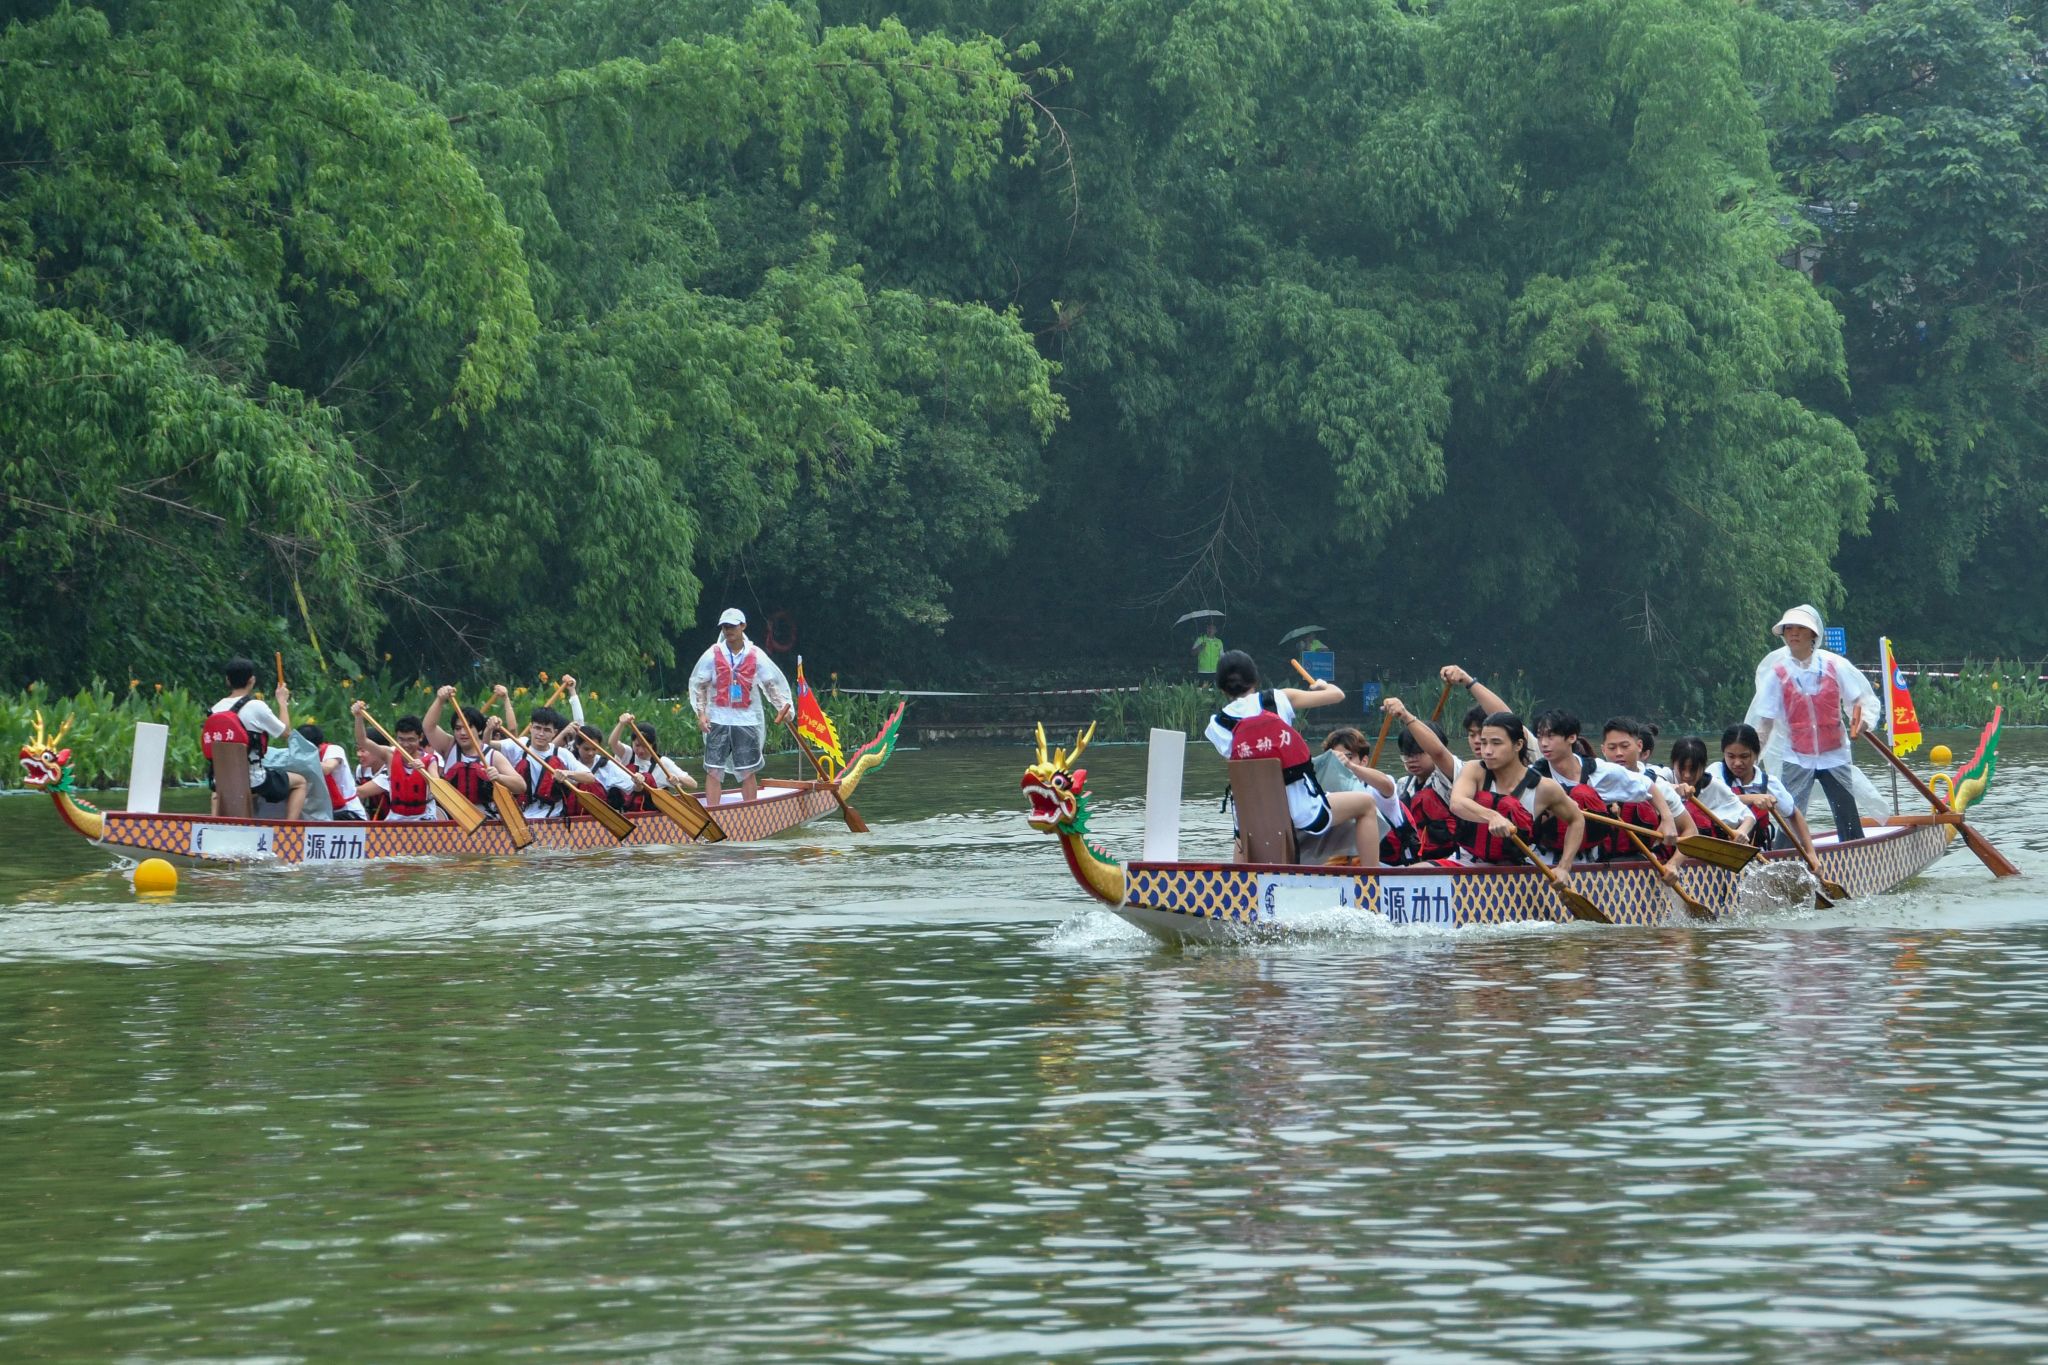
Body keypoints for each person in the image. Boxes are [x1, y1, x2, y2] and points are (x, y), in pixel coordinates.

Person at [1204, 650, 1382, 865]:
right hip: (1300, 808)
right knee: (1366, 804)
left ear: (1222, 687)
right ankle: (1371, 879)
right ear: (1255, 679)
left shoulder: (1217, 724)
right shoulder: (1277, 698)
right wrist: (1321, 685)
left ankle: (1239, 884)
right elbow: (1337, 695)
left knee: (1242, 831)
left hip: (1255, 815)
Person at [1747, 604, 1878, 838]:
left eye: (1800, 628)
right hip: (1797, 755)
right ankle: (1786, 855)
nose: (1794, 633)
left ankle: (1854, 852)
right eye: (1789, 629)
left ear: (1813, 635)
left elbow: (1860, 700)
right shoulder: (1777, 674)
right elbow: (1765, 724)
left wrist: (1863, 722)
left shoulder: (1833, 666)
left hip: (1835, 754)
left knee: (1846, 813)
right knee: (1789, 813)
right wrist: (1752, 758)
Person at [1448, 712, 1589, 868]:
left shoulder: (1544, 788)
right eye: (1484, 743)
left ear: (1518, 745)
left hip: (1515, 871)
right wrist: (1493, 816)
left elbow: (1576, 820)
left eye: (1496, 743)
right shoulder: (1474, 770)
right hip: (1464, 863)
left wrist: (1564, 867)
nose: (1487, 751)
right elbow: (1457, 803)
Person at [1529, 710, 1665, 860]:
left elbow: (1647, 785)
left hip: (1588, 862)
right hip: (1540, 858)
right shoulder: (1532, 776)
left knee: (1581, 793)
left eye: (1550, 736)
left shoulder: (1598, 770)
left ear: (1572, 737)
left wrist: (1667, 819)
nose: (1543, 743)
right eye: (1539, 737)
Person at [690, 608, 793, 805]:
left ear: (742, 626)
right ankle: (713, 812)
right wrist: (701, 714)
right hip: (718, 719)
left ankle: (750, 812)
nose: (728, 630)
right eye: (725, 627)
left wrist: (782, 707)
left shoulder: (755, 654)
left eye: (732, 626)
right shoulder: (713, 654)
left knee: (747, 770)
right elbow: (700, 685)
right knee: (713, 769)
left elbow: (770, 685)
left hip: (746, 720)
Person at [204, 657, 307, 818]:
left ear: (227, 680)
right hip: (254, 780)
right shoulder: (256, 707)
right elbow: (286, 733)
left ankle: (218, 824)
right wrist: (282, 702)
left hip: (221, 782)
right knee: (300, 782)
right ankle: (289, 828)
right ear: (252, 680)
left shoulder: (215, 709)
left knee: (219, 791)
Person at [1713, 723, 1821, 859]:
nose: (1737, 763)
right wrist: (1753, 798)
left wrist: (1811, 853)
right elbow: (1716, 800)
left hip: (1756, 857)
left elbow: (1794, 815)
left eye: (1744, 756)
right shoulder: (1715, 773)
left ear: (1756, 754)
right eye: (1731, 756)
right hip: (1715, 854)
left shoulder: (1769, 783)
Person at [1382, 696, 1463, 863]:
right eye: (1407, 754)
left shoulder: (1450, 777)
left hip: (1450, 857)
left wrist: (1405, 716)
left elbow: (1439, 752)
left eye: (1419, 753)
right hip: (1414, 856)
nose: (1411, 760)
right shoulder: (1402, 784)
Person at [1315, 728, 1413, 864]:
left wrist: (1349, 765)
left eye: (1349, 757)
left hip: (1385, 865)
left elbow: (1388, 786)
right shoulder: (1326, 792)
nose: (1340, 763)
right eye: (1334, 759)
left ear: (1364, 761)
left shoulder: (1376, 787)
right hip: (1343, 864)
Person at [350, 704, 439, 821]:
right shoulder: (389, 754)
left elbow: (437, 787)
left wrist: (425, 773)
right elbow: (363, 741)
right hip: (396, 817)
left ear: (421, 737)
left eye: (411, 740)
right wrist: (358, 717)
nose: (405, 745)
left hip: (423, 816)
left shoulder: (430, 760)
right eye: (401, 739)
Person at [607, 713, 699, 811]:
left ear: (652, 744)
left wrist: (678, 779)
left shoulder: (663, 763)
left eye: (645, 746)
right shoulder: (628, 754)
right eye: (637, 745)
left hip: (651, 810)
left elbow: (693, 784)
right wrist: (621, 723)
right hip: (628, 809)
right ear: (632, 742)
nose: (640, 750)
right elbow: (612, 743)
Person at [1667, 736, 1753, 840]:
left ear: (1703, 767)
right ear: (1673, 764)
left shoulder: (1714, 785)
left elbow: (1748, 815)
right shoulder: (1663, 776)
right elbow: (1651, 783)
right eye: (1682, 768)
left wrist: (1741, 831)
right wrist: (1673, 788)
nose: (1687, 775)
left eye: (1693, 769)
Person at [298, 723, 368, 821]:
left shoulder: (333, 750)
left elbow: (328, 768)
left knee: (321, 822)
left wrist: (299, 761)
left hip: (348, 812)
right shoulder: (298, 757)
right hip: (322, 813)